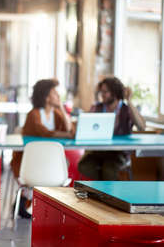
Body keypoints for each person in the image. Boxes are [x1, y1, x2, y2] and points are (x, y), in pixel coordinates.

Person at [11, 79, 74, 218]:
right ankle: (26, 198)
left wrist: (62, 109)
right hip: (30, 163)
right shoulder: (34, 114)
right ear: (46, 96)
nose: (58, 95)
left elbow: (70, 129)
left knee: (62, 164)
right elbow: (44, 133)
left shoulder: (57, 114)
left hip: (49, 163)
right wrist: (66, 134)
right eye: (54, 92)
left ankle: (25, 199)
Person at [78, 77, 146, 180]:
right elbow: (84, 126)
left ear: (115, 92)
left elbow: (142, 127)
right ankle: (100, 191)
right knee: (84, 166)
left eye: (105, 92)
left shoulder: (126, 109)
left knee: (109, 170)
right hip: (98, 150)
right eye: (101, 92)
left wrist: (129, 101)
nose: (102, 95)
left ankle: (106, 193)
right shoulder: (97, 107)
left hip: (118, 152)